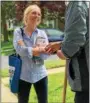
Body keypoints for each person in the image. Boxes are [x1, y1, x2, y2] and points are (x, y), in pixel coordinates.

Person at [45, 1, 89, 103]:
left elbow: (73, 43)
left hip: (85, 79)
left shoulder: (77, 3)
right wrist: (61, 44)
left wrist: (62, 52)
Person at [13, 4, 49, 103]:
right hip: (23, 75)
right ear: (26, 15)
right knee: (22, 101)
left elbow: (46, 55)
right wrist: (38, 50)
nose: (37, 16)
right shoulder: (18, 32)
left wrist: (29, 50)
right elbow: (20, 50)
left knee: (43, 101)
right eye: (34, 13)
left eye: (39, 14)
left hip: (41, 74)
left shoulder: (42, 34)